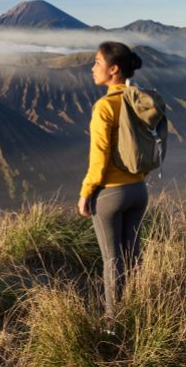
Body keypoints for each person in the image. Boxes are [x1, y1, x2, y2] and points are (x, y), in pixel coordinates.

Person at [78, 41, 148, 319]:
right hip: (138, 190)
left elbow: (99, 157)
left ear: (114, 69)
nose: (93, 68)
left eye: (96, 62)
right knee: (133, 256)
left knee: (112, 260)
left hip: (110, 194)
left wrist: (86, 192)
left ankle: (113, 321)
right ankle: (140, 311)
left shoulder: (105, 106)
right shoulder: (138, 99)